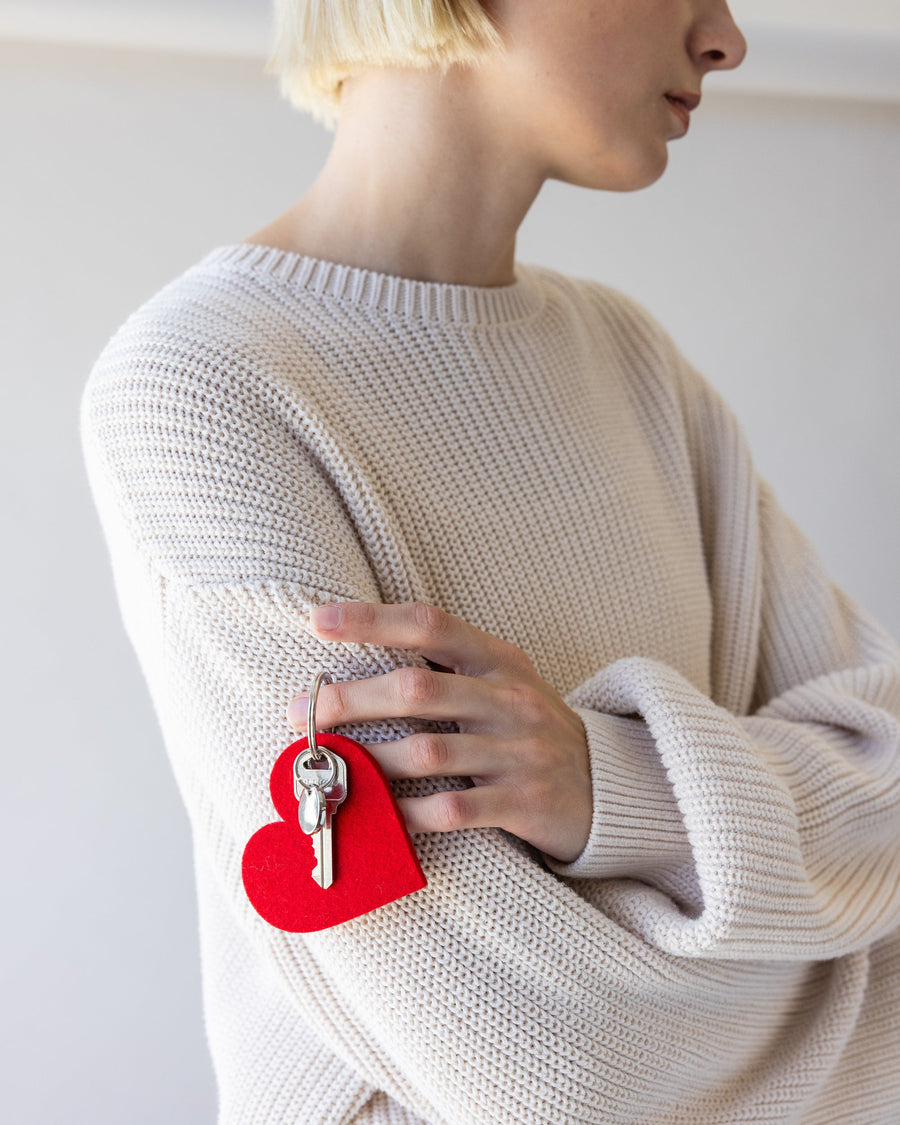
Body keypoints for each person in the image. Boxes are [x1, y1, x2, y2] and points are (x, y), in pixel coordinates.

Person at [79, 1, 900, 1122]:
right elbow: (551, 1067)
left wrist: (622, 787)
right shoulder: (206, 388)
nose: (724, 37)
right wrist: (835, 946)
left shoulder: (631, 362)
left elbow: (887, 768)